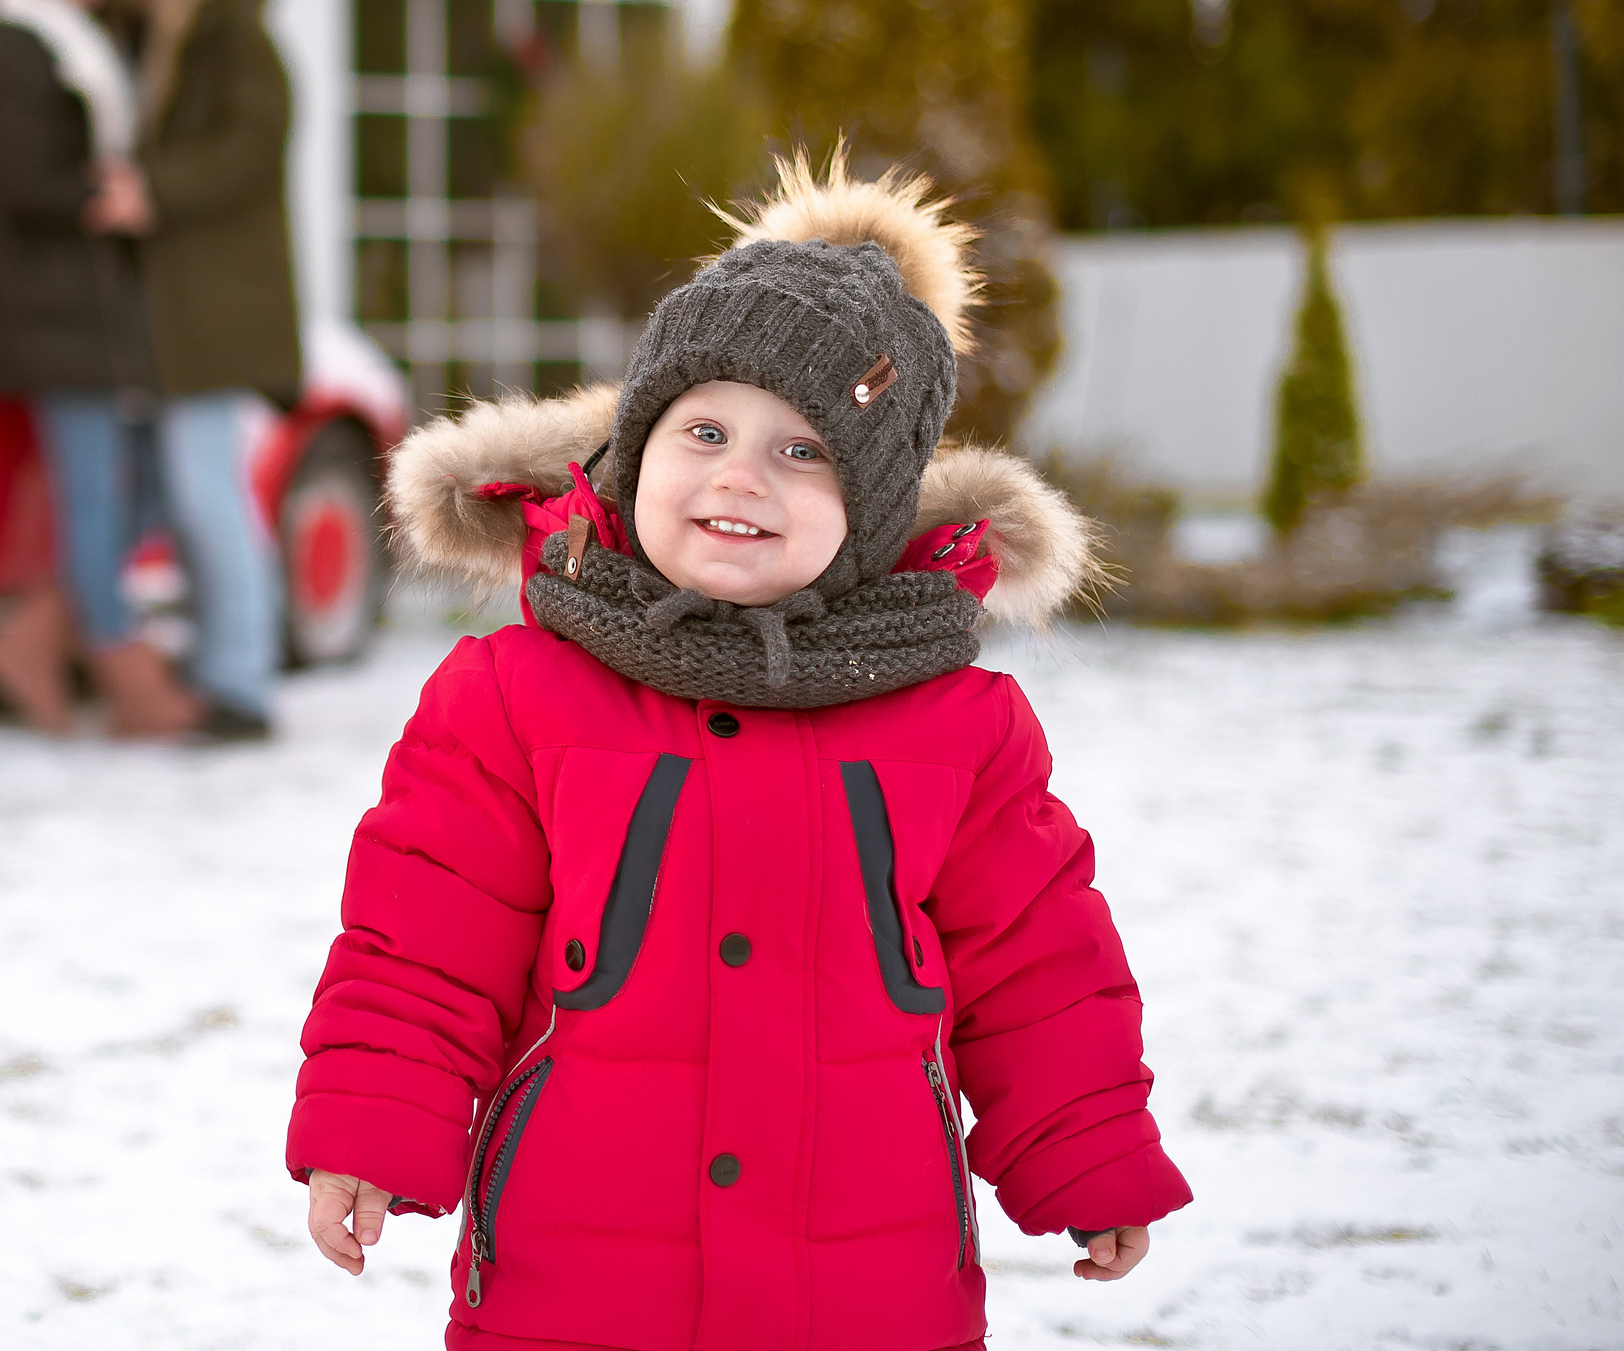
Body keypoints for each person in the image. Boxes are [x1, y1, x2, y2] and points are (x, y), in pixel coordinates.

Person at [285, 156, 1192, 1348]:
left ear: (871, 510)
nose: (737, 476)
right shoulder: (515, 697)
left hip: (866, 1296)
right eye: (702, 427)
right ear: (632, 449)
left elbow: (1036, 963)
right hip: (578, 1291)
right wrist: (371, 1124)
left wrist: (1084, 1149)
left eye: (803, 450)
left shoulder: (956, 728)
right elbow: (423, 943)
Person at [0, 0, 199, 737]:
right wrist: (98, 192)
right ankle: (124, 675)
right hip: (46, 310)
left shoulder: (81, 38)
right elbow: (22, 176)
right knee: (95, 492)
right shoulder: (23, 44)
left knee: (137, 486)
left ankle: (31, 639)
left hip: (88, 309)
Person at [90, 0, 297, 742]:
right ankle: (225, 661)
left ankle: (242, 682)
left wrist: (156, 190)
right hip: (180, 304)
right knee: (192, 488)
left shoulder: (225, 21)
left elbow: (259, 140)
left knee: (206, 488)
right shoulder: (154, 25)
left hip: (216, 303)